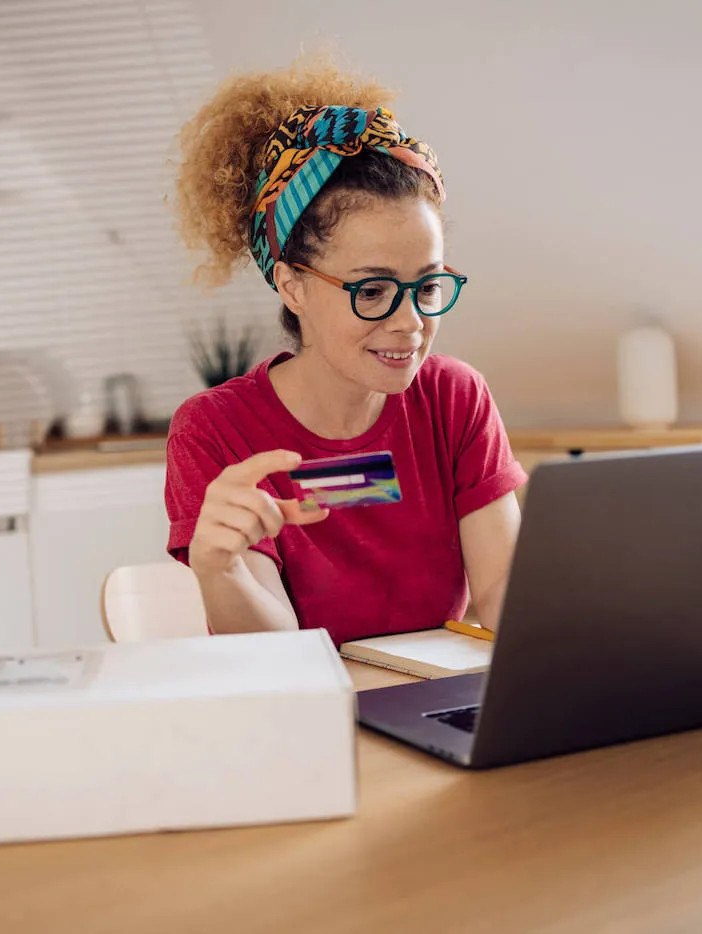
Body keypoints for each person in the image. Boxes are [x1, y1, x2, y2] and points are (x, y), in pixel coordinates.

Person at [167, 58, 526, 645]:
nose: (411, 322)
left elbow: (502, 594)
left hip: (431, 704)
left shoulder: (454, 400)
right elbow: (276, 652)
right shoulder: (214, 431)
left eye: (427, 287)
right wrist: (219, 568)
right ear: (292, 285)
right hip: (308, 715)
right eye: (373, 290)